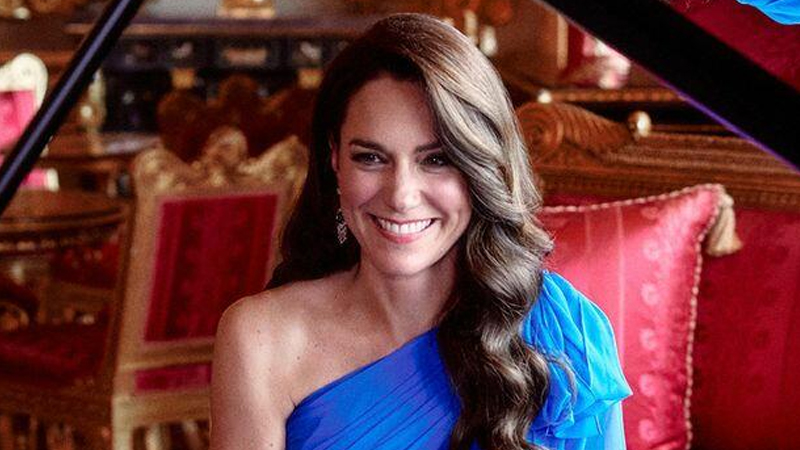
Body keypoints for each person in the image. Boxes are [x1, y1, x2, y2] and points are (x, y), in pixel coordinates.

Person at [210, 13, 631, 450]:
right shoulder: (261, 338)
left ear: (481, 168)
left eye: (436, 160)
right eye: (371, 158)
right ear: (334, 158)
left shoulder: (566, 330)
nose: (401, 196)